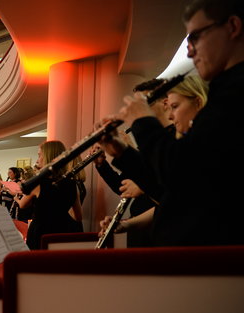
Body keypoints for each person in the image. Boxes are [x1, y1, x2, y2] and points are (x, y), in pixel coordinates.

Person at [98, 0, 244, 246]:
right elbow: (174, 189)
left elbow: (180, 175)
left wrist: (143, 120)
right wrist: (121, 153)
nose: (189, 51)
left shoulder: (235, 94)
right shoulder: (225, 90)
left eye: (195, 37)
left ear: (232, 26)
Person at [15, 140, 83, 249]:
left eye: (39, 155)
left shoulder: (38, 184)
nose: (37, 159)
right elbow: (78, 217)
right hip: (62, 233)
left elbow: (22, 205)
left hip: (40, 233)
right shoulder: (71, 183)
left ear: (48, 157)